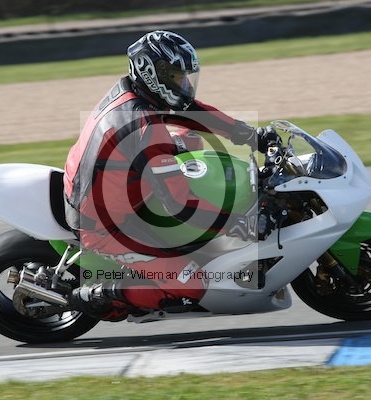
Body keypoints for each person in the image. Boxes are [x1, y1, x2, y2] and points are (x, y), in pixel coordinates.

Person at [63, 30, 279, 321]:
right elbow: (181, 206)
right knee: (192, 284)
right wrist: (237, 223)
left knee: (191, 140)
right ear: (153, 74)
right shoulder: (144, 127)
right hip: (105, 224)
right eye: (178, 77)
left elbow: (193, 112)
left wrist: (251, 135)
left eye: (186, 77)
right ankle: (101, 294)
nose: (185, 85)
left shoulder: (134, 92)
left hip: (109, 183)